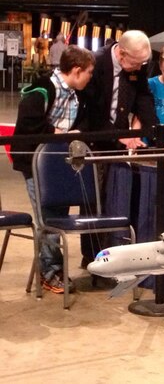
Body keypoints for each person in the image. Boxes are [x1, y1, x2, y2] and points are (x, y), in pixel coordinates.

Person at [11, 45, 95, 294]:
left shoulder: (79, 95)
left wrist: (75, 134)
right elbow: (28, 124)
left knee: (57, 217)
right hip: (35, 162)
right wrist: (61, 134)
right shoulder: (42, 88)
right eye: (89, 72)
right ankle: (50, 272)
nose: (91, 77)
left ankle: (52, 268)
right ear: (77, 70)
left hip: (62, 162)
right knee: (47, 219)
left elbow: (82, 122)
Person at [82, 30, 158, 152]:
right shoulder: (96, 63)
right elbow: (91, 110)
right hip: (95, 137)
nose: (139, 68)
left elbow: (144, 100)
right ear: (122, 53)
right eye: (136, 63)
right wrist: (116, 135)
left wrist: (155, 134)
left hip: (121, 140)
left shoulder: (137, 65)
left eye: (142, 64)